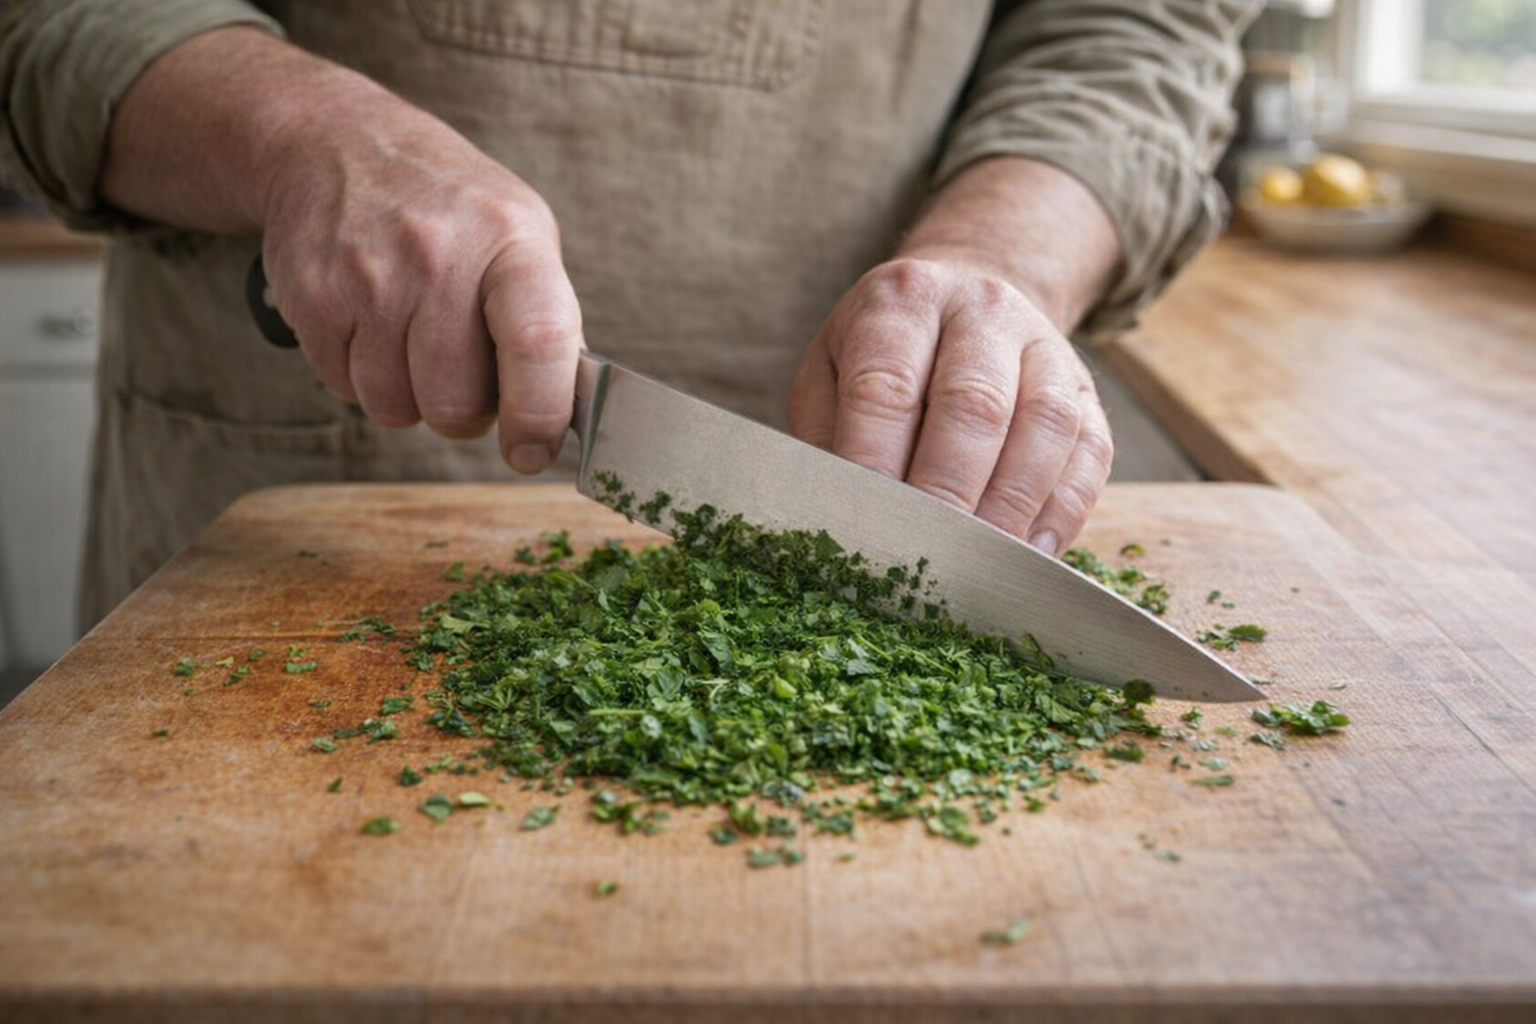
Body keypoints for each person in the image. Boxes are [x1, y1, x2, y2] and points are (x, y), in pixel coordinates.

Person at [0, 0, 1258, 629]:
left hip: (877, 499)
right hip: (291, 490)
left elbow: (1131, 25)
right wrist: (301, 139)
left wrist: (1007, 256)